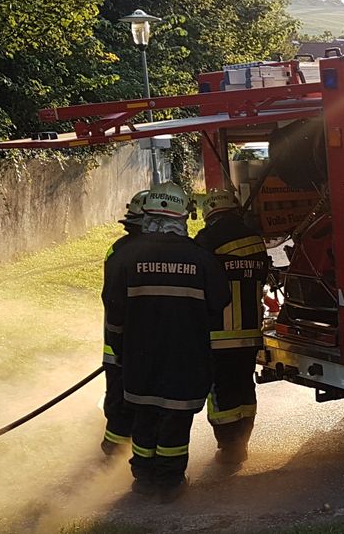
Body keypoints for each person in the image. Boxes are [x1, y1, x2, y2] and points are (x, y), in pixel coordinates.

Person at [103, 182, 229, 502]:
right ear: (183, 218)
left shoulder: (125, 256)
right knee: (175, 417)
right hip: (186, 357)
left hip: (138, 357)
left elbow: (113, 309)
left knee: (144, 412)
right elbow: (220, 302)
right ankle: (170, 481)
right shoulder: (200, 259)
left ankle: (144, 477)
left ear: (147, 216)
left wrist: (118, 349)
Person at [193, 188, 269, 464]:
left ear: (209, 213)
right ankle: (242, 443)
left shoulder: (206, 240)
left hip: (219, 334)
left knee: (222, 392)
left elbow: (197, 281)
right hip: (250, 331)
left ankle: (229, 447)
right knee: (245, 387)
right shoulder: (255, 239)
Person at [100, 190, 147, 457]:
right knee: (130, 394)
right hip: (131, 340)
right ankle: (117, 448)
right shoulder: (140, 253)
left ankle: (114, 446)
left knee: (118, 392)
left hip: (116, 339)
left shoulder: (117, 249)